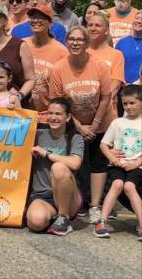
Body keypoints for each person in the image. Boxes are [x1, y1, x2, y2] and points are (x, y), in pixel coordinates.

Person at [50, 26, 112, 224]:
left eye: (80, 40)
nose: (75, 43)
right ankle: (77, 203)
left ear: (87, 43)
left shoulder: (99, 65)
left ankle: (95, 205)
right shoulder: (59, 68)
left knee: (97, 163)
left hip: (100, 122)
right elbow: (59, 101)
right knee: (77, 163)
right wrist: (79, 126)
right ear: (67, 41)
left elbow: (106, 97)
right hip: (74, 123)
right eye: (71, 39)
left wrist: (94, 125)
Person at [25, 98, 84, 236]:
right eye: (50, 113)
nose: (53, 117)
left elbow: (75, 163)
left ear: (68, 117)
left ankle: (63, 217)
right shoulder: (37, 134)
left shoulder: (75, 138)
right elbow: (16, 122)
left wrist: (46, 154)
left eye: (58, 114)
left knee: (58, 167)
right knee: (36, 223)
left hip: (68, 197)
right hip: (42, 195)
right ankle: (51, 217)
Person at [94, 85, 142, 239]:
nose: (128, 107)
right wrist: (112, 158)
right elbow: (104, 144)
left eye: (132, 103)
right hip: (117, 164)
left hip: (137, 165)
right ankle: (101, 221)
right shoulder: (117, 123)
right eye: (125, 104)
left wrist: (136, 163)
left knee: (129, 186)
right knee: (117, 184)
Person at [25, 3, 69, 125]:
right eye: (33, 17)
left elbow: (64, 86)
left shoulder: (61, 51)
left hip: (48, 116)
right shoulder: (21, 45)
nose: (35, 20)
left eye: (41, 18)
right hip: (22, 113)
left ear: (50, 23)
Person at [87, 11, 125, 115]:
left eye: (98, 25)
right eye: (90, 25)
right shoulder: (80, 52)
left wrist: (98, 105)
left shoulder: (116, 55)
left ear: (107, 31)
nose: (93, 28)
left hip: (107, 113)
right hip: (82, 110)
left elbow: (115, 86)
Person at [115, 11, 142, 84]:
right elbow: (115, 66)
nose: (139, 21)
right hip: (124, 88)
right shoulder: (121, 42)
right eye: (137, 18)